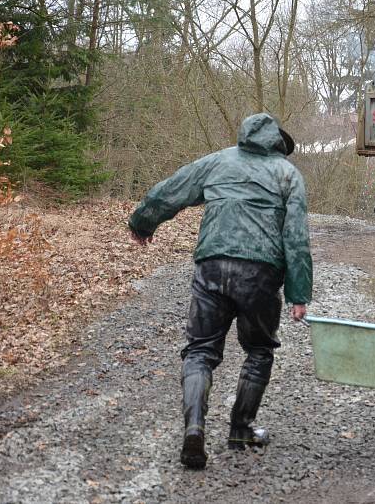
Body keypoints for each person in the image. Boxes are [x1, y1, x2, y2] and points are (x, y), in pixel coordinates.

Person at [128, 113, 312, 469]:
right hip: (260, 273)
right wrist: (298, 294)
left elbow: (171, 190)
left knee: (199, 351)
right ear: (279, 144)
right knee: (259, 349)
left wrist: (142, 222)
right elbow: (296, 238)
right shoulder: (288, 175)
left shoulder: (218, 161)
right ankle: (241, 430)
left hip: (211, 266)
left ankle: (194, 429)